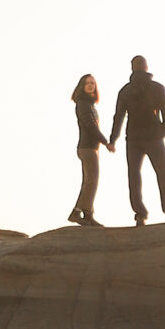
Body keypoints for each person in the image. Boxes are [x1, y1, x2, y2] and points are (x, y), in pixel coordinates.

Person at [110, 54, 165, 224]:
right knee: (163, 175)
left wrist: (113, 139)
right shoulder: (157, 88)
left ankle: (140, 215)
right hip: (153, 137)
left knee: (134, 177)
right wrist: (162, 132)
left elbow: (118, 117)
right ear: (147, 67)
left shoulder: (125, 91)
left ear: (132, 68)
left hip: (133, 139)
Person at [67, 74, 114, 225]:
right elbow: (90, 126)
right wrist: (106, 142)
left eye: (92, 83)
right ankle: (76, 212)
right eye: (87, 83)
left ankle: (88, 215)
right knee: (92, 181)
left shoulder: (89, 104)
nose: (90, 85)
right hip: (87, 148)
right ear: (82, 85)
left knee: (88, 181)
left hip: (91, 148)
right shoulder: (83, 104)